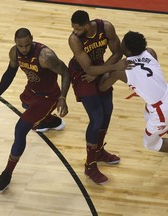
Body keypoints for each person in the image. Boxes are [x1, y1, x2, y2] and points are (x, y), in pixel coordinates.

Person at [0, 28, 70, 193]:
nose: (24, 49)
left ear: (32, 40)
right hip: (31, 91)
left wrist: (62, 97)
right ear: (15, 43)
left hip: (48, 97)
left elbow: (65, 72)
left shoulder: (45, 56)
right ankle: (50, 121)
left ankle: (6, 175)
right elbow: (10, 73)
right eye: (21, 46)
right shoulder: (14, 52)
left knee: (20, 130)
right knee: (26, 106)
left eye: (27, 45)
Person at [99, 30, 168, 159]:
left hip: (162, 108)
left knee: (150, 143)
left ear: (126, 49)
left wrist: (111, 66)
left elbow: (102, 87)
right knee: (148, 113)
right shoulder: (150, 52)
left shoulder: (121, 71)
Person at [68, 10, 128, 184]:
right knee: (96, 117)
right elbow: (88, 70)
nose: (74, 32)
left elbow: (118, 53)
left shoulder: (106, 28)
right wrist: (105, 70)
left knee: (108, 110)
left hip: (100, 69)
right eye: (73, 29)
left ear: (87, 24)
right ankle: (90, 165)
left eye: (78, 29)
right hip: (82, 74)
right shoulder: (74, 40)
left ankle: (99, 151)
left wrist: (103, 70)